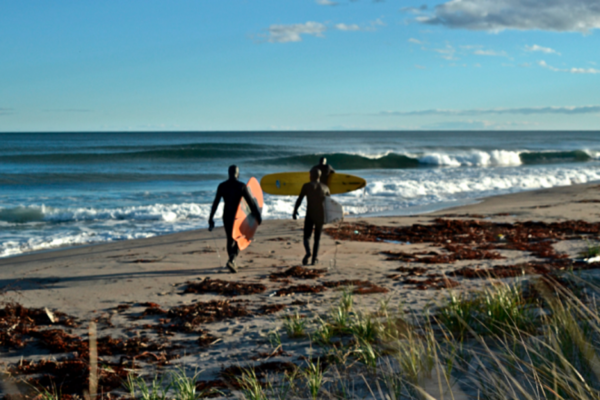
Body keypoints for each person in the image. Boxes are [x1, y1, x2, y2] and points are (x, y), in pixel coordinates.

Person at [208, 165, 262, 273]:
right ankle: (232, 259)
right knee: (239, 238)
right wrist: (258, 216)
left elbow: (215, 203)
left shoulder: (222, 186)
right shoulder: (241, 186)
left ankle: (231, 261)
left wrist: (211, 218)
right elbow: (251, 203)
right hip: (238, 217)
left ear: (229, 173)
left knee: (230, 238)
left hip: (227, 215)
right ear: (237, 173)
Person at [293, 167, 330, 265]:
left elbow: (299, 199)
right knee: (317, 239)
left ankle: (308, 252)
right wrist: (329, 217)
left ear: (312, 176)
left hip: (310, 214)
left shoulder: (307, 186)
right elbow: (329, 204)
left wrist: (295, 211)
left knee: (307, 237)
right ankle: (314, 259)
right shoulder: (325, 187)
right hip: (320, 215)